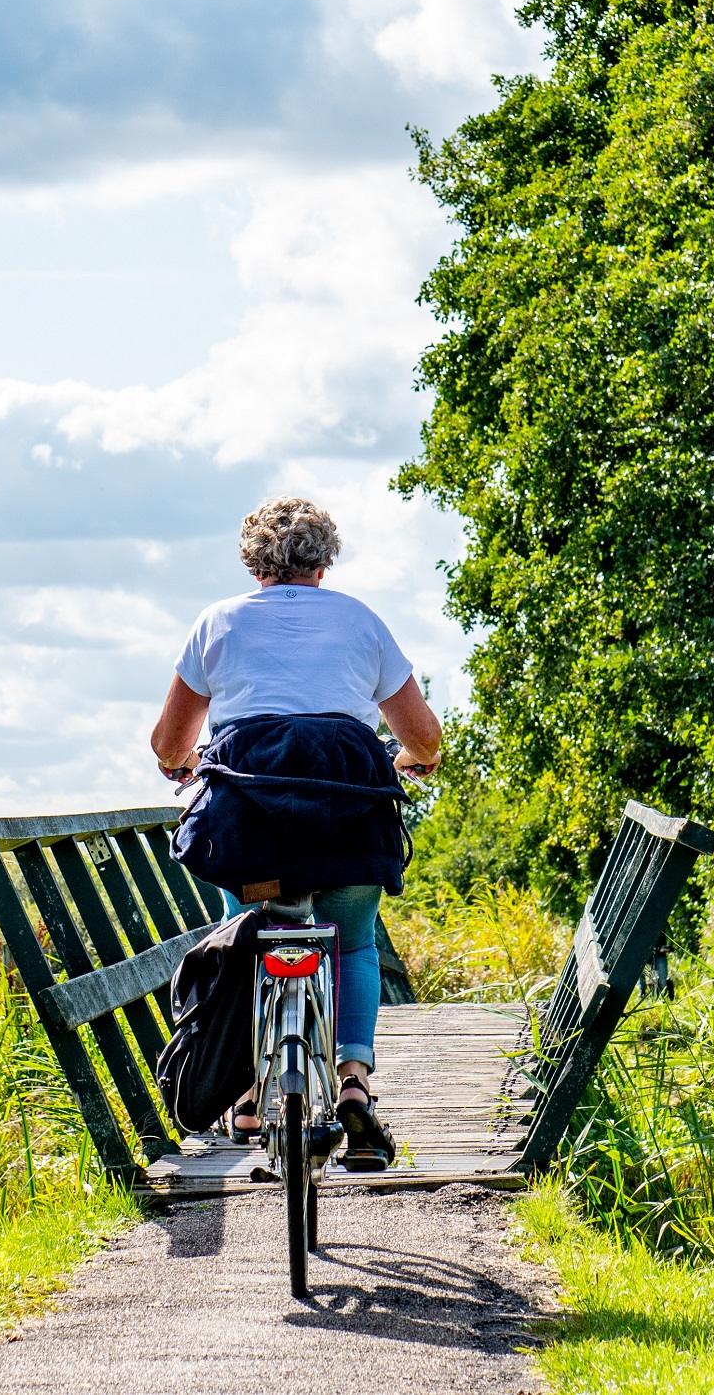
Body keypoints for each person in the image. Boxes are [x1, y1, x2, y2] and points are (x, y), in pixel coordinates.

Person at [151, 496, 441, 1173]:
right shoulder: (361, 621)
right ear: (324, 559)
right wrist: (414, 758)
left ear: (253, 561)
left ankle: (250, 1095)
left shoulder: (216, 623)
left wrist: (180, 764)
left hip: (252, 835)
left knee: (248, 932)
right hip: (349, 822)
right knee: (353, 944)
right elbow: (422, 736)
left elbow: (170, 742)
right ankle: (354, 1086)